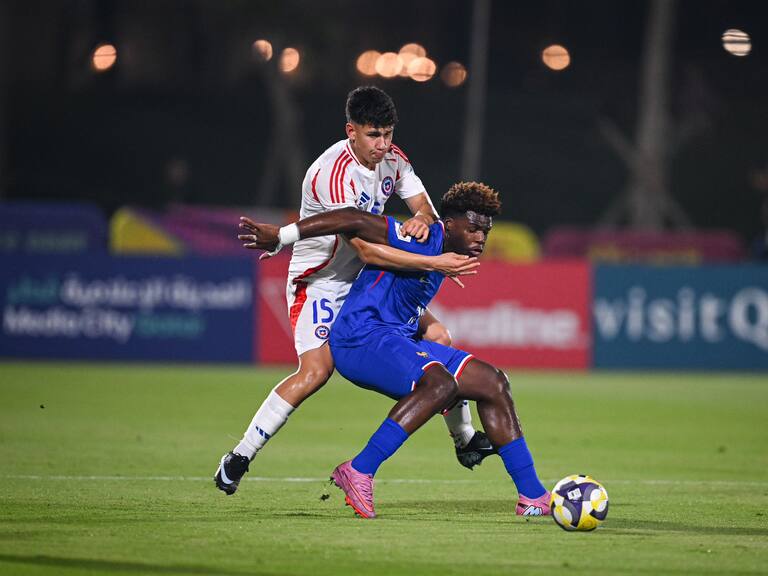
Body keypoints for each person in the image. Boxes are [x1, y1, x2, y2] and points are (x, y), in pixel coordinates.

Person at [215, 86, 494, 496]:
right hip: (322, 282)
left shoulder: (394, 159)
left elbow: (426, 209)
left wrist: (420, 217)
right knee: (315, 372)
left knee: (439, 335)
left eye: (388, 134)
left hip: (365, 281)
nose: (383, 145)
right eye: (373, 135)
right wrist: (434, 262)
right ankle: (240, 455)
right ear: (351, 131)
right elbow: (365, 249)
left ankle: (464, 439)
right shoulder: (332, 175)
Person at [239, 181, 551, 518]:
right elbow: (351, 217)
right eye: (473, 229)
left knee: (494, 382)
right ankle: (359, 470)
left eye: (485, 232)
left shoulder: (448, 254)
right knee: (440, 384)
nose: (480, 238)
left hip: (395, 339)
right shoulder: (419, 237)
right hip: (360, 337)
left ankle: (533, 495)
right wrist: (283, 236)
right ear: (449, 225)